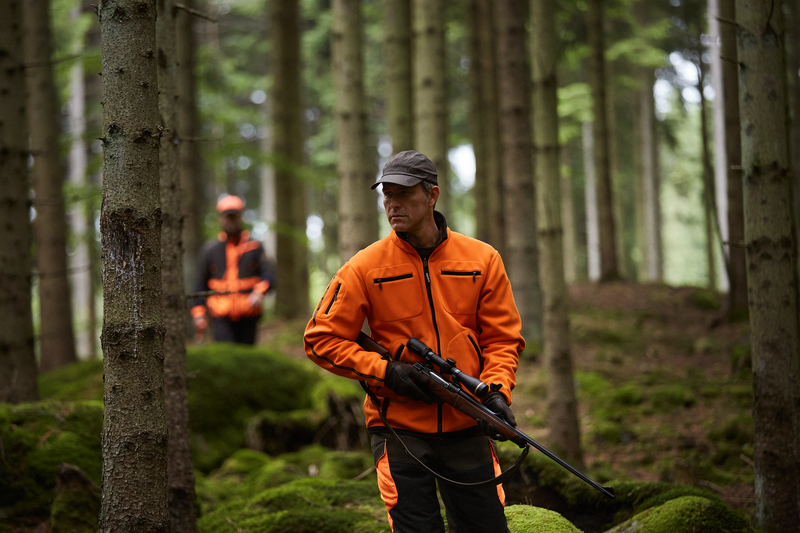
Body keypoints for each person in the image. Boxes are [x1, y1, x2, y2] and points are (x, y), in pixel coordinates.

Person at [303, 150, 525, 532]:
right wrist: (387, 372)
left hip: (466, 421)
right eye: (387, 195)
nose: (393, 204)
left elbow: (503, 339)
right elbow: (321, 338)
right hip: (398, 430)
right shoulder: (364, 267)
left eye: (403, 194)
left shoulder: (482, 259)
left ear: (432, 195)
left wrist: (496, 393)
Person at [191, 195, 275, 345]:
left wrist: (259, 292)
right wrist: (199, 313)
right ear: (220, 218)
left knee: (246, 356)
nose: (231, 221)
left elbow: (269, 274)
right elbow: (200, 283)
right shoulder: (210, 250)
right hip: (220, 315)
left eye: (234, 216)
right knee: (225, 355)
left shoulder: (254, 247)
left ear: (240, 217)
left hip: (249, 313)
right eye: (227, 217)